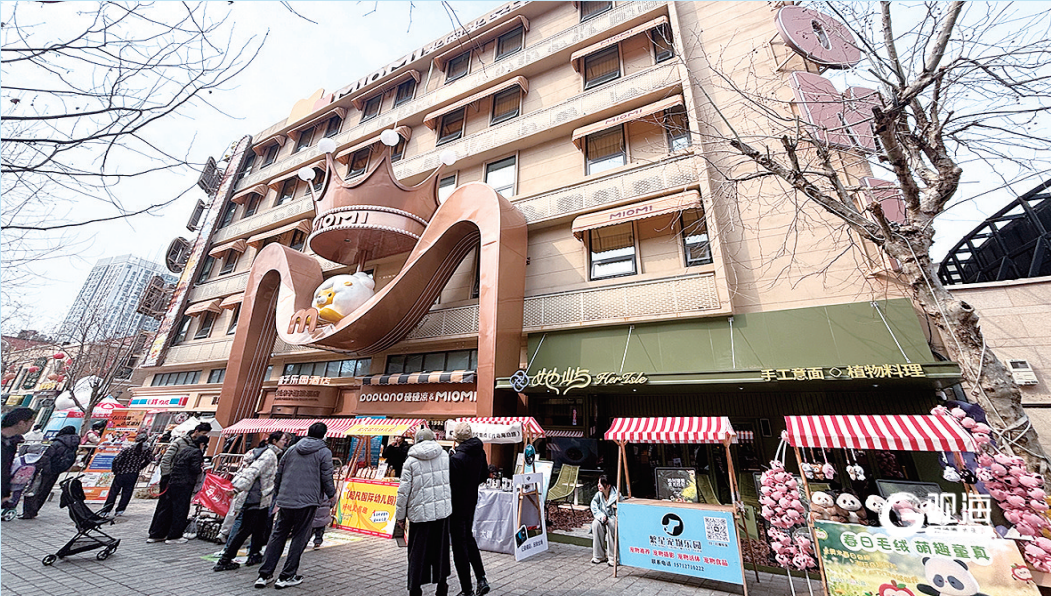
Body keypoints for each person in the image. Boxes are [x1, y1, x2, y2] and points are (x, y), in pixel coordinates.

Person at [254, 422, 335, 590]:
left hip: (286, 498)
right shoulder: (324, 452)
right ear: (324, 435)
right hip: (308, 501)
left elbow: (279, 472)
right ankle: (286, 575)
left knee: (278, 535)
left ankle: (264, 574)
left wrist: (278, 493)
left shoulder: (292, 449)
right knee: (299, 537)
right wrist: (331, 495)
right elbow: (327, 477)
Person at [213, 431, 287, 572]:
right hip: (255, 498)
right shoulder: (269, 455)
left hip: (262, 498)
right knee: (245, 529)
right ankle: (225, 559)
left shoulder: (270, 453)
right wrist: (237, 488)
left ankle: (254, 554)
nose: (285, 442)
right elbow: (253, 471)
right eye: (283, 439)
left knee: (260, 528)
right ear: (275, 441)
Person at [396, 427, 453, 596]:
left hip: (419, 515)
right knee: (441, 552)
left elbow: (403, 492)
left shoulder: (410, 461)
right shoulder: (445, 456)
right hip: (442, 513)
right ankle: (442, 586)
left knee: (417, 554)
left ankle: (415, 589)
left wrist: (400, 517)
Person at [147, 422, 212, 542]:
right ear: (196, 431)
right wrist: (167, 475)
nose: (205, 436)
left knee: (171, 507)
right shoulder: (180, 442)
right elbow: (166, 459)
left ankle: (164, 533)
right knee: (167, 506)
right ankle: (159, 533)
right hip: (173, 479)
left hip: (178, 479)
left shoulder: (194, 446)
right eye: (203, 433)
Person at [448, 423, 490, 596]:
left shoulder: (456, 458)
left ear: (457, 439)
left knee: (459, 547)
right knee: (469, 539)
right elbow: (484, 475)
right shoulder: (480, 451)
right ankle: (481, 578)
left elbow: (452, 487)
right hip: (471, 500)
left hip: (456, 506)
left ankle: (467, 589)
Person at [21, 425, 81, 519]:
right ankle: (34, 510)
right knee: (45, 491)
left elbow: (47, 456)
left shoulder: (56, 443)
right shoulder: (73, 444)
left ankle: (28, 512)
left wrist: (39, 467)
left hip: (45, 470)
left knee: (34, 489)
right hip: (56, 470)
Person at [163, 434, 208, 544]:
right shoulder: (196, 452)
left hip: (174, 481)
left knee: (170, 508)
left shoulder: (186, 449)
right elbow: (195, 468)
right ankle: (174, 536)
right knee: (181, 510)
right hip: (185, 483)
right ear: (202, 444)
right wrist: (201, 468)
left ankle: (166, 533)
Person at [102, 433, 152, 517]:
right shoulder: (146, 450)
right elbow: (149, 460)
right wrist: (139, 467)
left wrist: (115, 470)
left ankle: (106, 510)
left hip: (121, 473)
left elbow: (116, 460)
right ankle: (120, 510)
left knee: (114, 492)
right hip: (133, 474)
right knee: (127, 492)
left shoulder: (128, 449)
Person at [2, 408, 36, 502]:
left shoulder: (11, 442)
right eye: (31, 421)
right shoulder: (4, 442)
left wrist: (4, 492)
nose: (32, 425)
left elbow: (5, 468)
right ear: (21, 423)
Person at [590, 475, 618, 566]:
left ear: (608, 485)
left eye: (601, 483)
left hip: (613, 520)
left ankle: (613, 557)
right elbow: (593, 506)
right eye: (598, 483)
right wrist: (601, 516)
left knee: (612, 524)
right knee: (595, 524)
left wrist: (610, 518)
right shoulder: (598, 495)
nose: (598, 485)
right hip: (602, 518)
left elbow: (621, 511)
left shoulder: (617, 495)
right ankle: (599, 556)